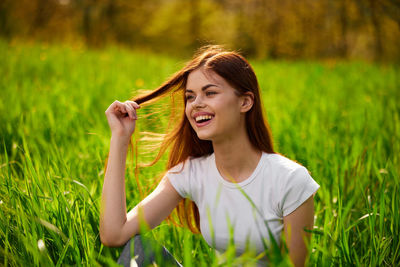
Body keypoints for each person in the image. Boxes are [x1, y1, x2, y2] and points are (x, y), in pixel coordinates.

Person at [100, 45, 320, 266]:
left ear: (245, 102)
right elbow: (114, 235)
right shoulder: (192, 173)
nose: (196, 104)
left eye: (210, 92)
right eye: (190, 96)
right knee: (139, 251)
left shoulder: (290, 180)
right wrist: (120, 138)